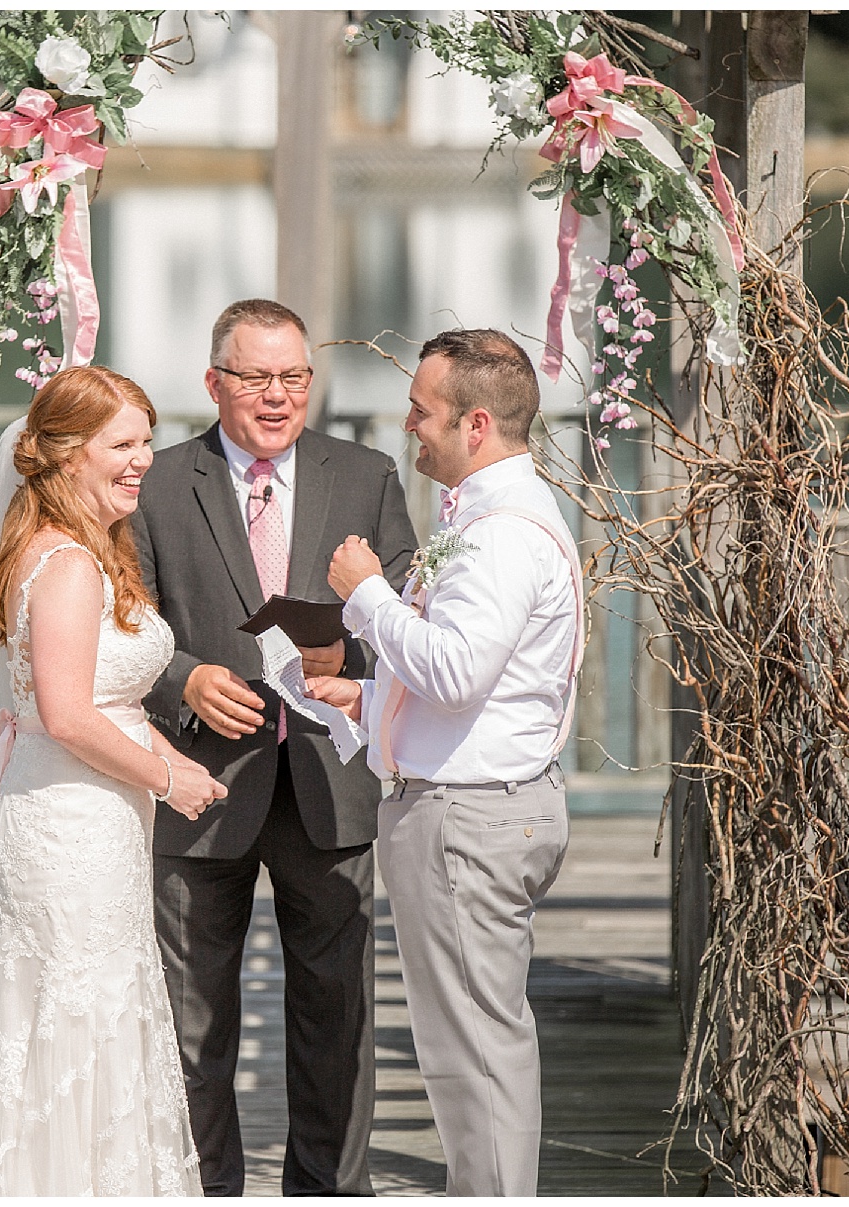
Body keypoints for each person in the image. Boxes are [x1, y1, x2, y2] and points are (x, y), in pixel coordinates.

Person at [132, 299, 417, 1195]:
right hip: (198, 783)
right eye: (255, 376)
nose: (277, 395)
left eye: (293, 376)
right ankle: (204, 1189)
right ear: (214, 382)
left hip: (329, 785)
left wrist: (354, 650)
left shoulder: (366, 474)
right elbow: (121, 616)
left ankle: (329, 1191)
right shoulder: (155, 479)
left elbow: (406, 611)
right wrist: (182, 678)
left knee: (337, 1020)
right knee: (191, 1025)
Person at [0, 365, 228, 1196]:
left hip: (90, 822)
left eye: (147, 442)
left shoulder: (89, 547)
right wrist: (170, 775)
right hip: (68, 831)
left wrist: (164, 761)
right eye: (121, 445)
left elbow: (96, 700)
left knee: (90, 1016)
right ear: (64, 456)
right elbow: (65, 713)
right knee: (74, 1018)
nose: (143, 460)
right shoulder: (65, 565)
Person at [306, 328, 583, 1196]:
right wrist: (373, 694)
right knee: (469, 1044)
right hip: (481, 807)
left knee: (475, 1054)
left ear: (474, 425)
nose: (407, 424)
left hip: (468, 822)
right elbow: (467, 674)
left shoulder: (501, 535)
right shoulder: (497, 513)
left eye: (421, 412)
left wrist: (368, 597)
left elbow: (459, 673)